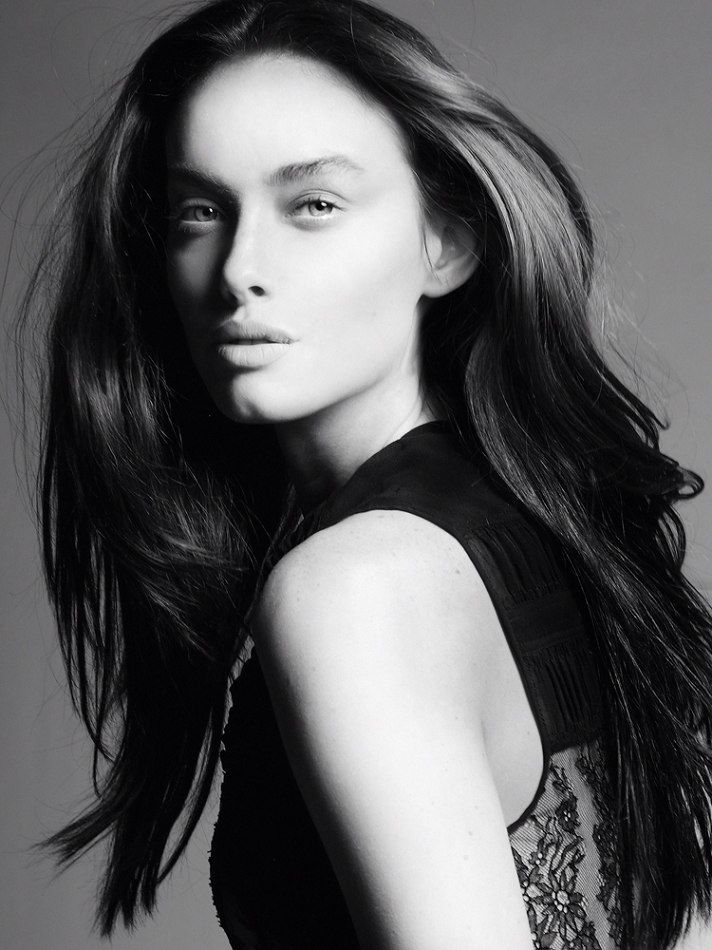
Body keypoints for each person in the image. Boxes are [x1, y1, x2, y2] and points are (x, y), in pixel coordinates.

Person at [16, 0, 712, 947]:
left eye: (314, 205)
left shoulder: (356, 588)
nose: (239, 269)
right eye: (200, 211)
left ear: (446, 243)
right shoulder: (543, 526)